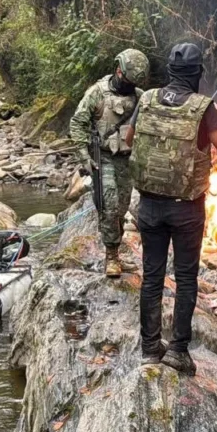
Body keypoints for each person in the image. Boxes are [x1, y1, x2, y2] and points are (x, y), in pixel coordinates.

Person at [126, 42, 217, 374]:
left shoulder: (145, 99)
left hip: (149, 205)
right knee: (186, 277)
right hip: (187, 208)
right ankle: (177, 351)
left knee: (152, 276)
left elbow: (130, 139)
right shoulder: (204, 108)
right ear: (198, 74)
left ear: (170, 71)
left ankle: (149, 348)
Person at [69, 49, 149, 277]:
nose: (131, 85)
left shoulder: (140, 96)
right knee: (110, 205)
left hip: (127, 159)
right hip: (102, 158)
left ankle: (117, 251)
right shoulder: (97, 94)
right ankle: (111, 256)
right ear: (118, 71)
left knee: (123, 206)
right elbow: (77, 124)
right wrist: (84, 156)